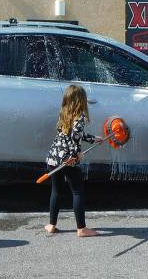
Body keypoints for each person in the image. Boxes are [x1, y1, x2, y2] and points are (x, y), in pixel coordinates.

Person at [44, 85, 103, 237]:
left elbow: (73, 134)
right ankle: (81, 229)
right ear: (81, 100)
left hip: (54, 158)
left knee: (56, 191)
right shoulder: (81, 116)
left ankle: (51, 225)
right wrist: (76, 153)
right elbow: (74, 138)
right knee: (77, 192)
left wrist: (93, 139)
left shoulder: (64, 113)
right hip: (68, 160)